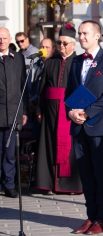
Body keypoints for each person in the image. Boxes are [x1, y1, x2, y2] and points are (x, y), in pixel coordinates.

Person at [65, 20, 103, 235]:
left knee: (99, 173)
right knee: (85, 174)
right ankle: (90, 216)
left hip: (99, 125)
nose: (81, 37)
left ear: (97, 36)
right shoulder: (77, 61)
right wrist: (71, 111)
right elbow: (69, 92)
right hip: (78, 126)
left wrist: (88, 112)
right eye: (79, 33)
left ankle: (101, 218)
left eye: (85, 33)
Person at [35, 24, 82, 195]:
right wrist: (39, 109)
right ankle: (47, 184)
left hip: (69, 111)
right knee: (48, 145)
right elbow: (42, 87)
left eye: (65, 43)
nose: (61, 46)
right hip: (50, 112)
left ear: (73, 44)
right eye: (60, 43)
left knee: (68, 147)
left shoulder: (79, 61)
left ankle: (68, 185)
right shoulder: (51, 62)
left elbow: (83, 88)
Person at [0, 27, 28, 198]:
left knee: (10, 153)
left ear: (9, 39)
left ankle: (9, 184)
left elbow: (23, 86)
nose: (1, 41)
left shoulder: (17, 58)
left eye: (4, 38)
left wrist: (24, 111)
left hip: (13, 112)